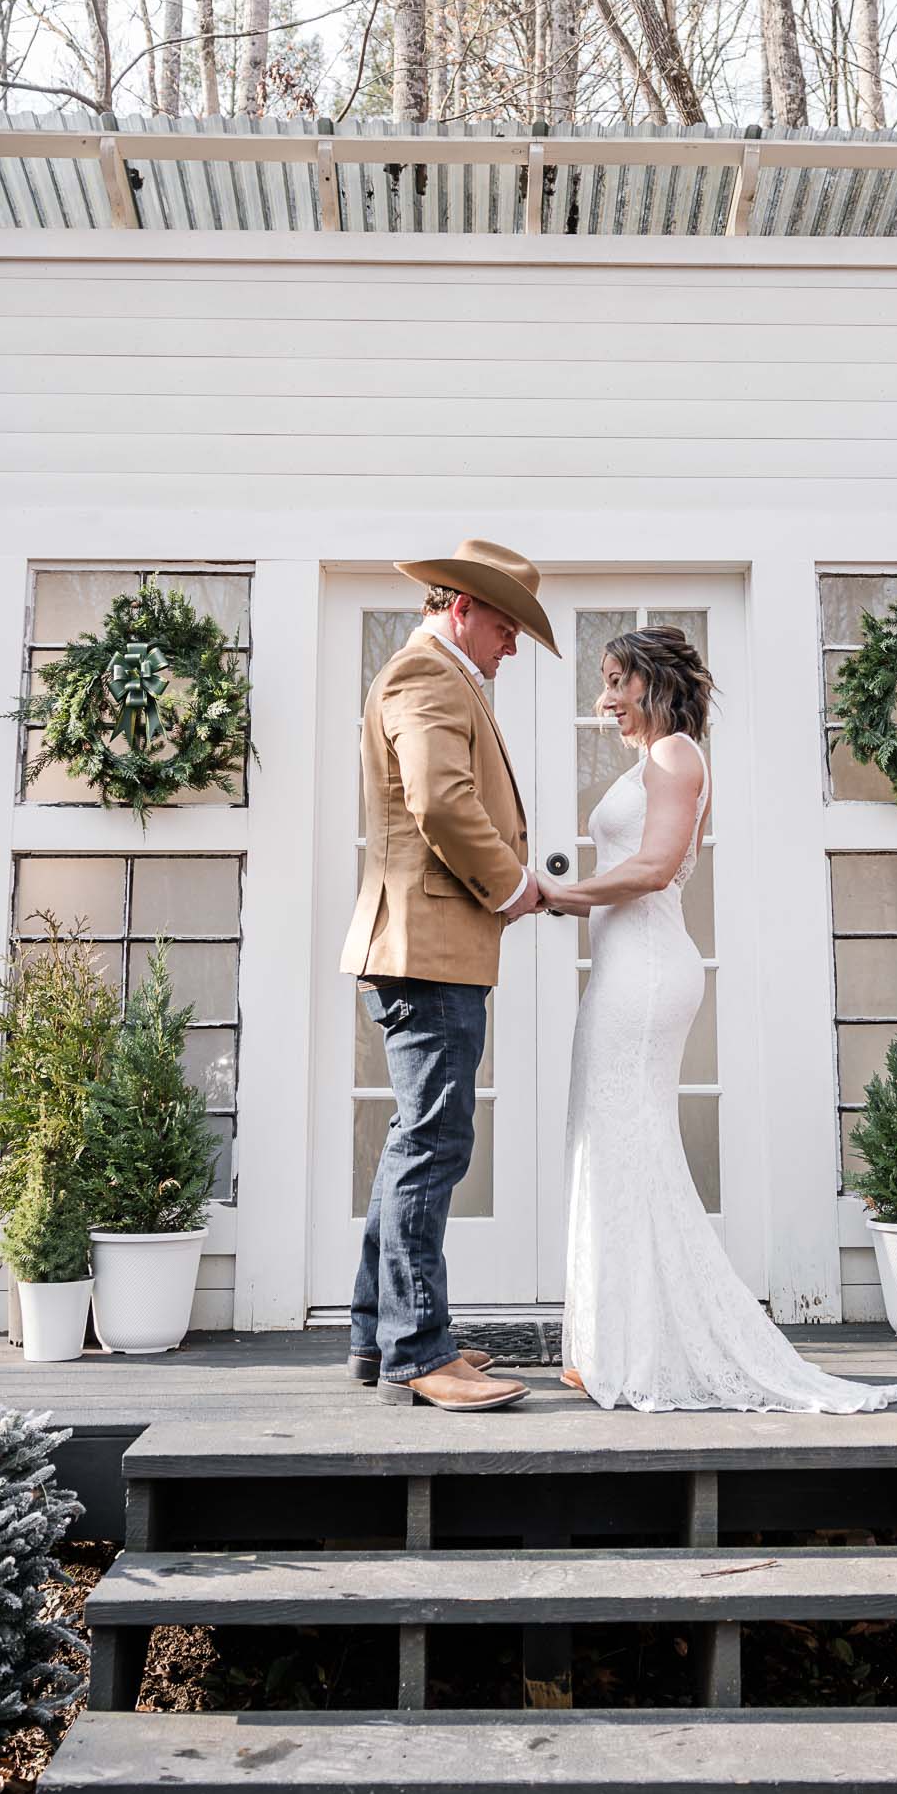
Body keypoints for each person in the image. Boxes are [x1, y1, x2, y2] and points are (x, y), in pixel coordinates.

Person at [544, 626, 897, 1415]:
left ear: (649, 682)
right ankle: (608, 1338)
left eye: (613, 680)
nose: (602, 698)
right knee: (608, 1141)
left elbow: (653, 867)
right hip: (625, 970)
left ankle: (637, 1346)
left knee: (626, 1142)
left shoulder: (675, 755)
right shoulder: (654, 761)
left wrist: (558, 895)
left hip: (644, 975)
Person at [341, 539, 559, 1411]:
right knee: (432, 1146)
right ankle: (417, 1352)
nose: (512, 649)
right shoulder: (424, 676)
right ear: (461, 609)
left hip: (431, 948)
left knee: (415, 1142)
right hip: (424, 949)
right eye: (508, 629)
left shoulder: (440, 675)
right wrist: (509, 885)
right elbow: (439, 801)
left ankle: (377, 1335)